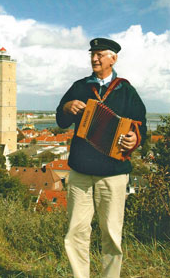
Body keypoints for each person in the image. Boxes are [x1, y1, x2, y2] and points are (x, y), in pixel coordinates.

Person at [56, 38, 147, 278]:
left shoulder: (126, 90)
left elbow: (141, 125)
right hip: (81, 171)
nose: (95, 59)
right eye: (92, 55)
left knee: (112, 235)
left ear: (113, 58)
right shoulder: (79, 87)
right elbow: (60, 118)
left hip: (114, 172)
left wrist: (133, 139)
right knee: (76, 231)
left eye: (100, 55)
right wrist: (66, 107)